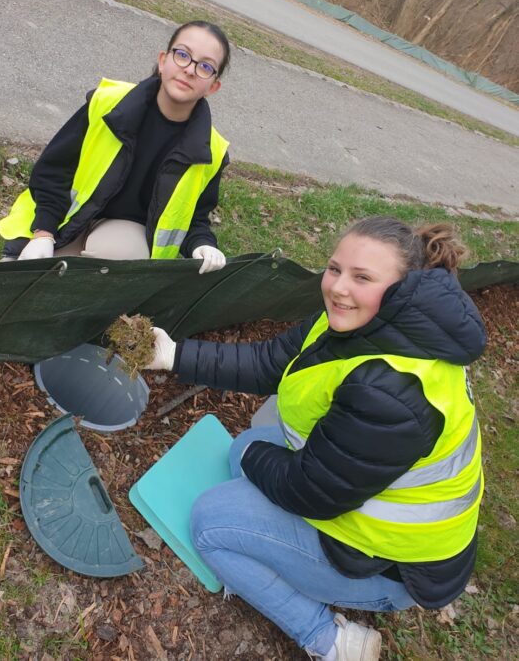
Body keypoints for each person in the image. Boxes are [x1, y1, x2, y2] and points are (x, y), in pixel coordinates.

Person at [146, 216, 486, 661]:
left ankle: (330, 640)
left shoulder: (392, 393)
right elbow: (270, 362)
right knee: (243, 447)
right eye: (334, 269)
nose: (338, 288)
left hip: (389, 568)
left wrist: (254, 458)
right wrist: (174, 355)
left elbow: (309, 493)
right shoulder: (369, 322)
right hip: (367, 505)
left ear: (403, 288)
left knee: (210, 521)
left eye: (362, 277)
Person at [0, 21, 230, 272]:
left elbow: (194, 219)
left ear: (213, 86)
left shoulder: (212, 150)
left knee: (118, 258)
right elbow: (53, 171)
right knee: (20, 275)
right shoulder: (108, 103)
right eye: (182, 55)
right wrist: (43, 233)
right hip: (66, 217)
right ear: (163, 60)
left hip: (122, 235)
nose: (190, 69)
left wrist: (203, 244)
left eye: (205, 66)